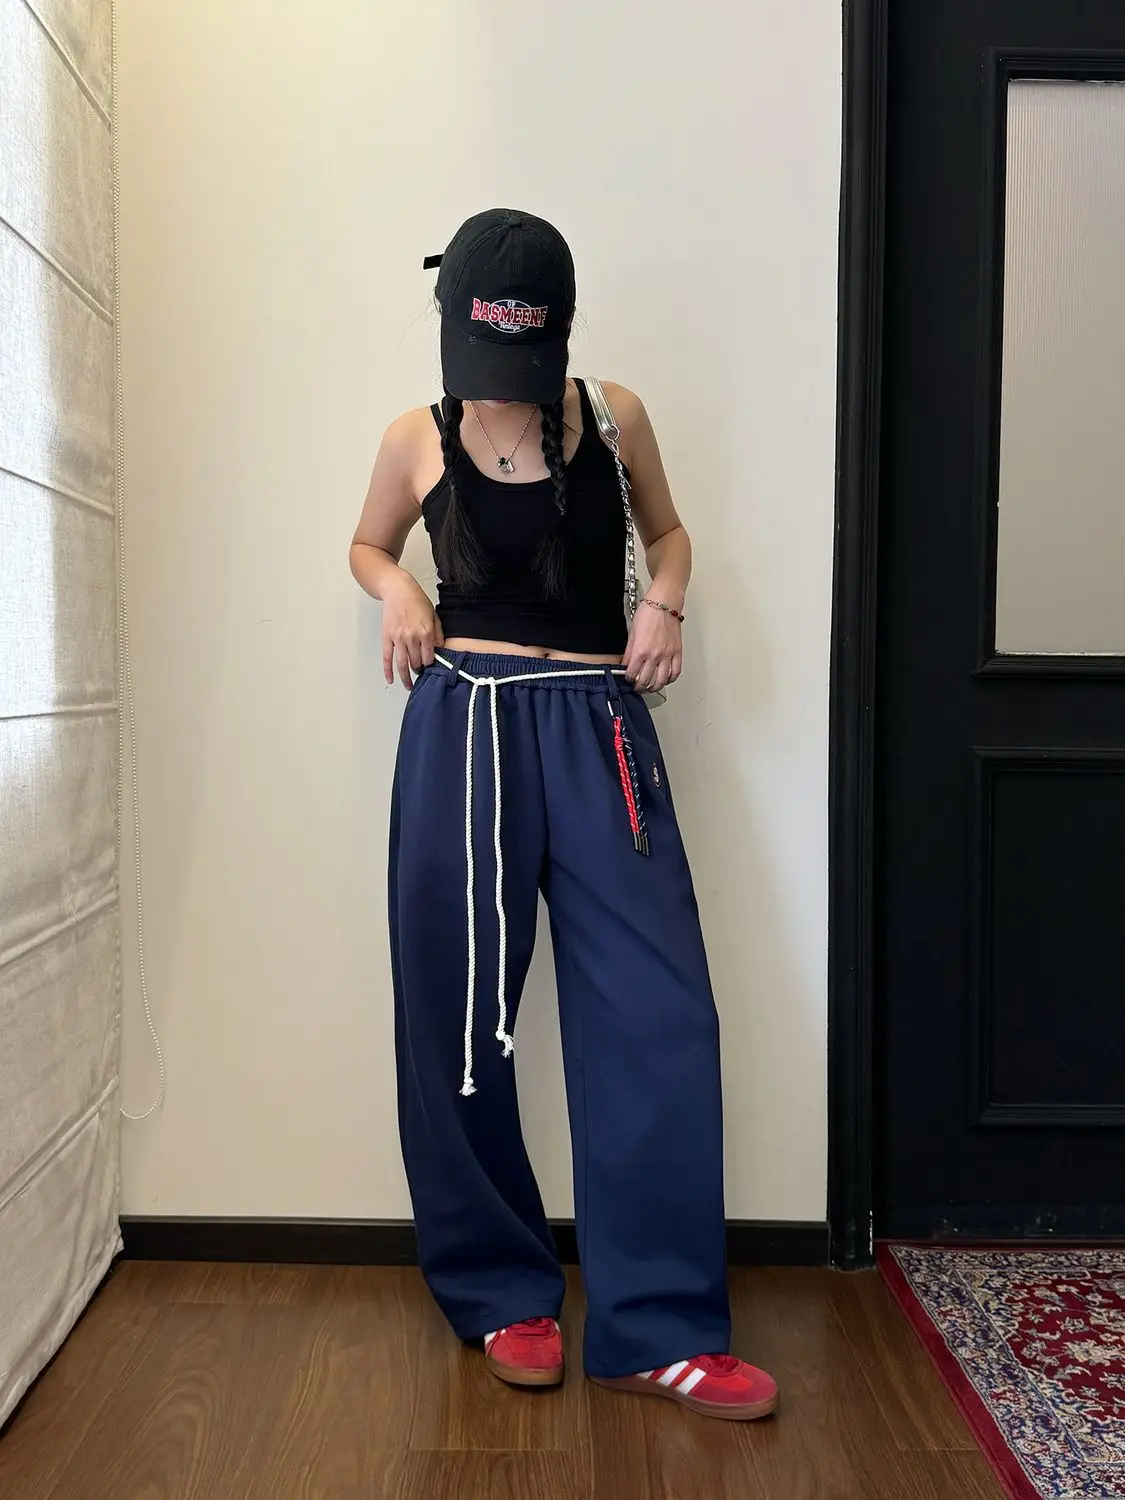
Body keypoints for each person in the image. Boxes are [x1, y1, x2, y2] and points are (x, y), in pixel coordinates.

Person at [349, 209, 778, 1421]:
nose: (505, 387)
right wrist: (396, 591)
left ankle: (660, 1327)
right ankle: (502, 1293)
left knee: (657, 1014)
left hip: (599, 731)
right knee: (459, 1017)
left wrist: (666, 602)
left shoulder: (616, 417)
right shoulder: (413, 437)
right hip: (465, 729)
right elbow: (367, 545)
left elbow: (669, 534)